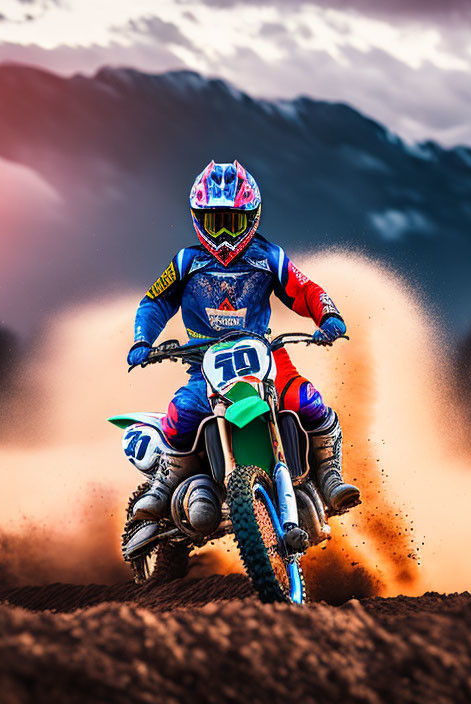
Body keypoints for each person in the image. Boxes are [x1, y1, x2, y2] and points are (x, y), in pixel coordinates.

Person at [126, 160, 360, 521]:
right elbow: (155, 301)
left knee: (306, 400)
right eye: (213, 221)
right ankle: (164, 485)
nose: (222, 234)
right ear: (197, 218)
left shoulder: (269, 258)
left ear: (250, 219)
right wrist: (143, 340)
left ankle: (330, 476)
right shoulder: (187, 262)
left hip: (264, 354)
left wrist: (327, 315)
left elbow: (304, 289)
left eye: (231, 222)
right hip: (204, 361)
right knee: (183, 414)